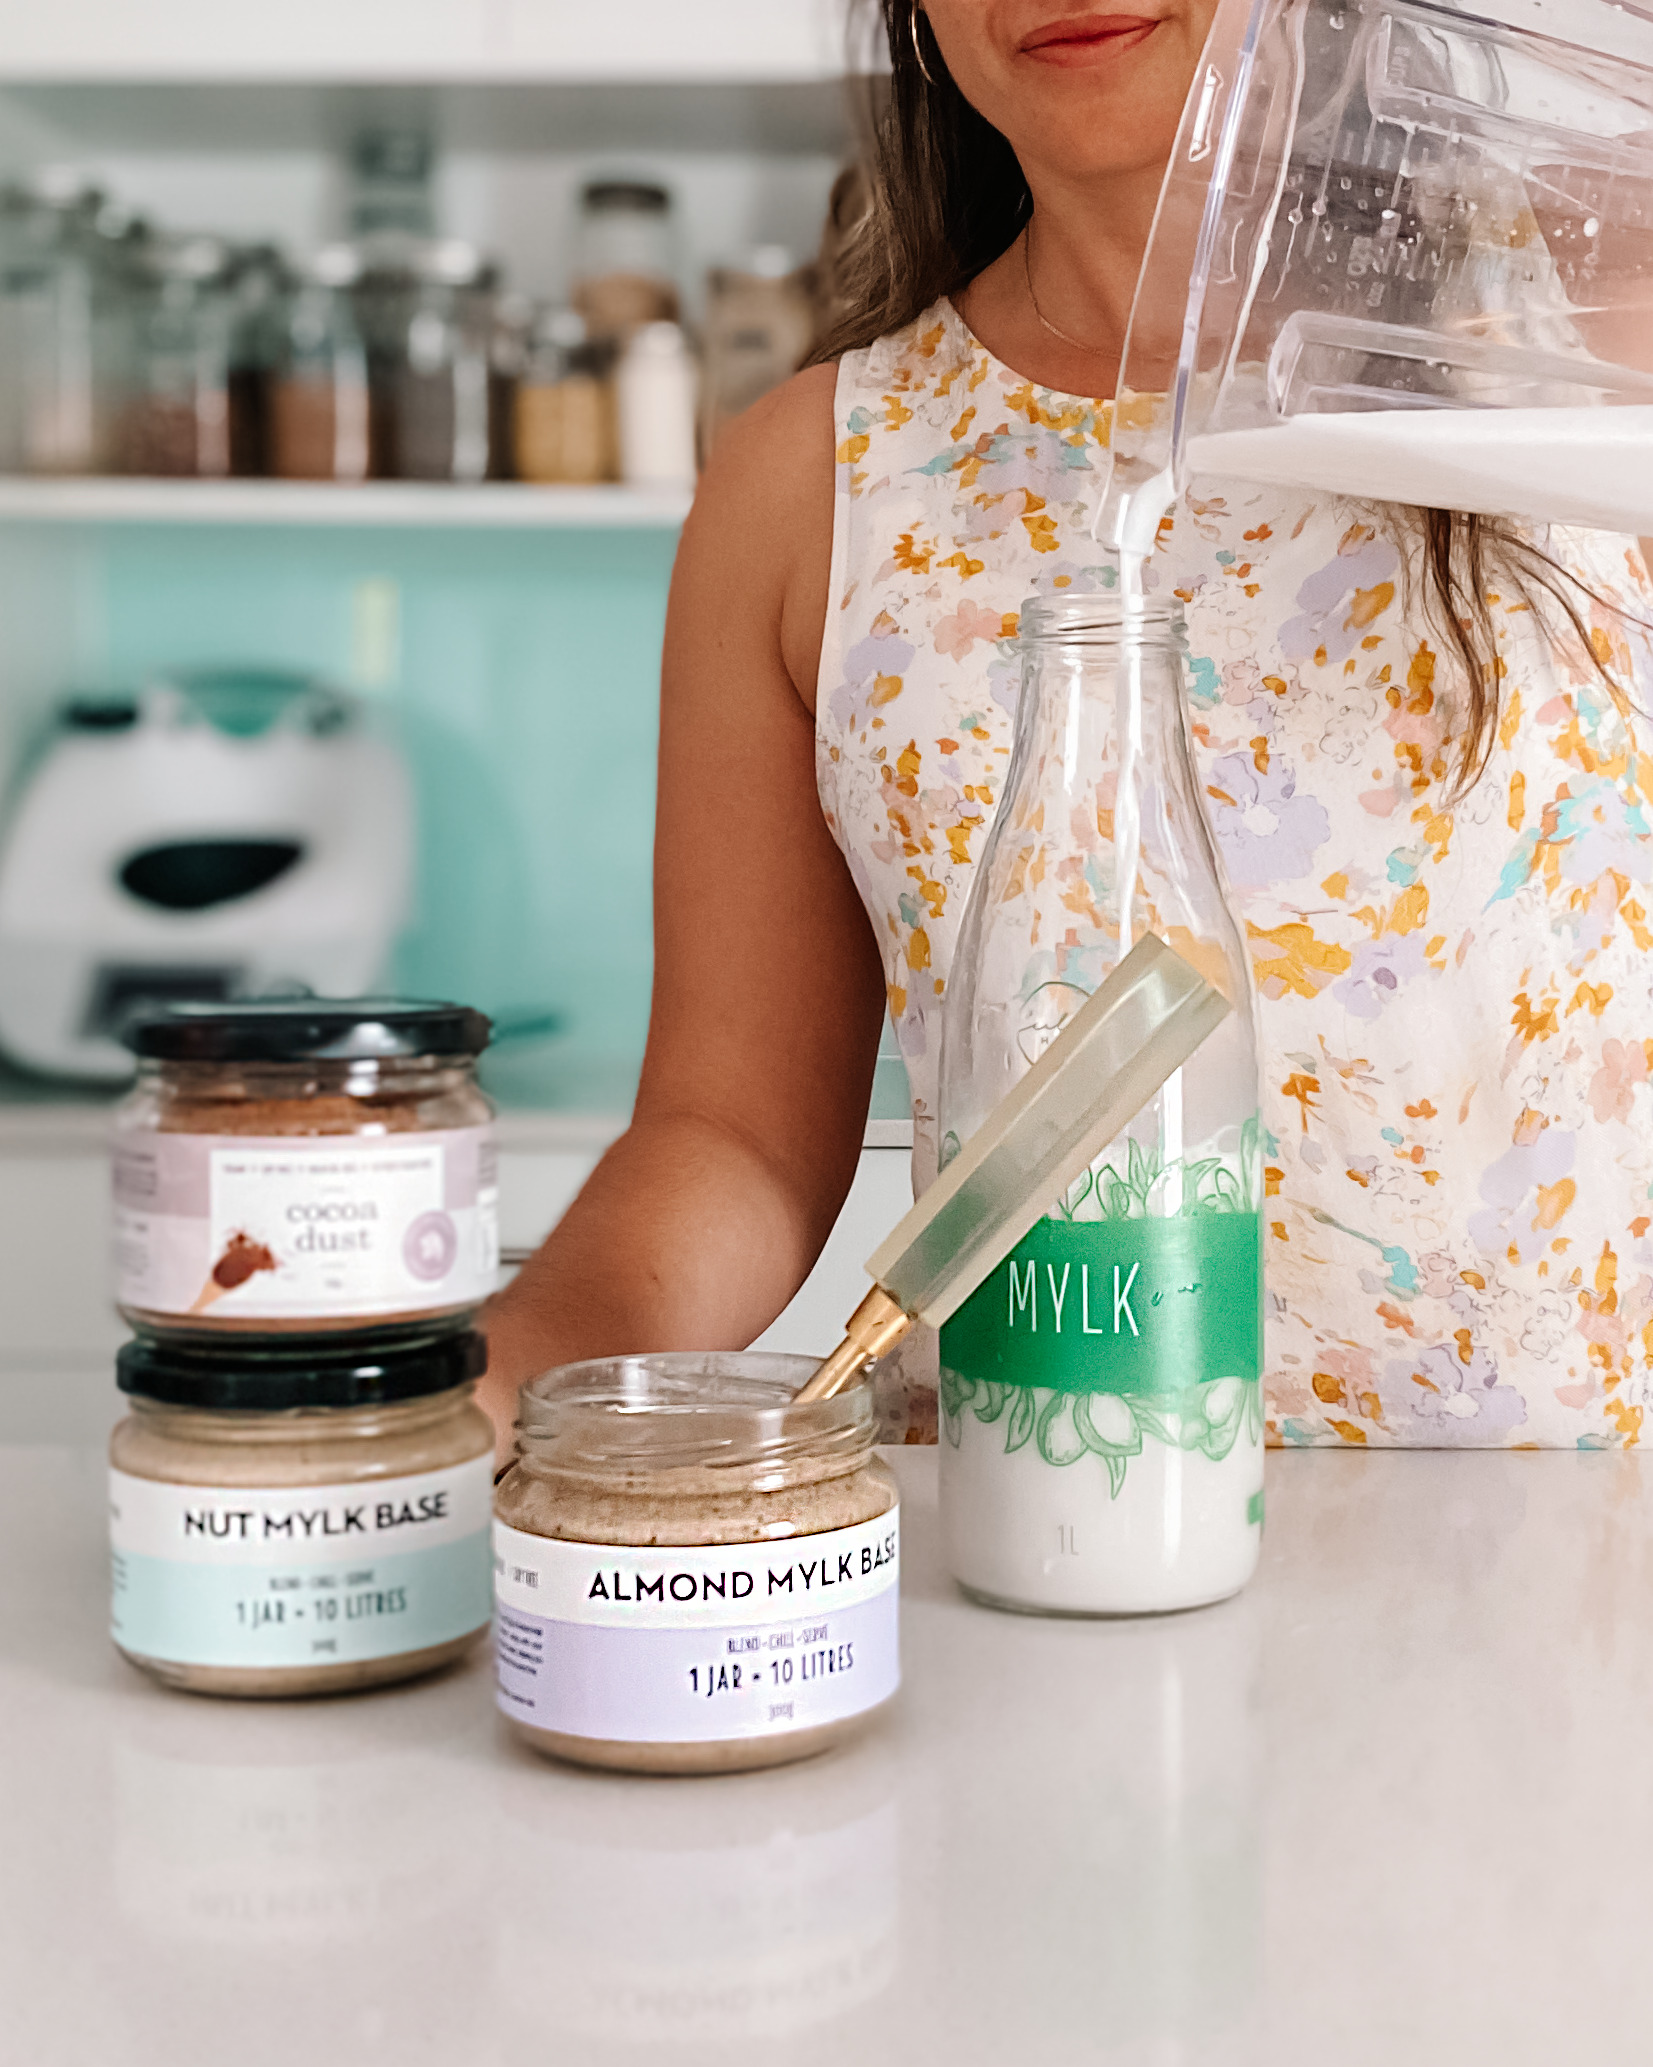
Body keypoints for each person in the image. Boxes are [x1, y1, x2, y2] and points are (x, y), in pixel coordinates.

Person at [482, 1, 1653, 1453]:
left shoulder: (1595, 316)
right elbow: (730, 1139)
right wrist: (494, 1377)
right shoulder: (813, 479)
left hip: (1564, 1563)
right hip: (1033, 1543)